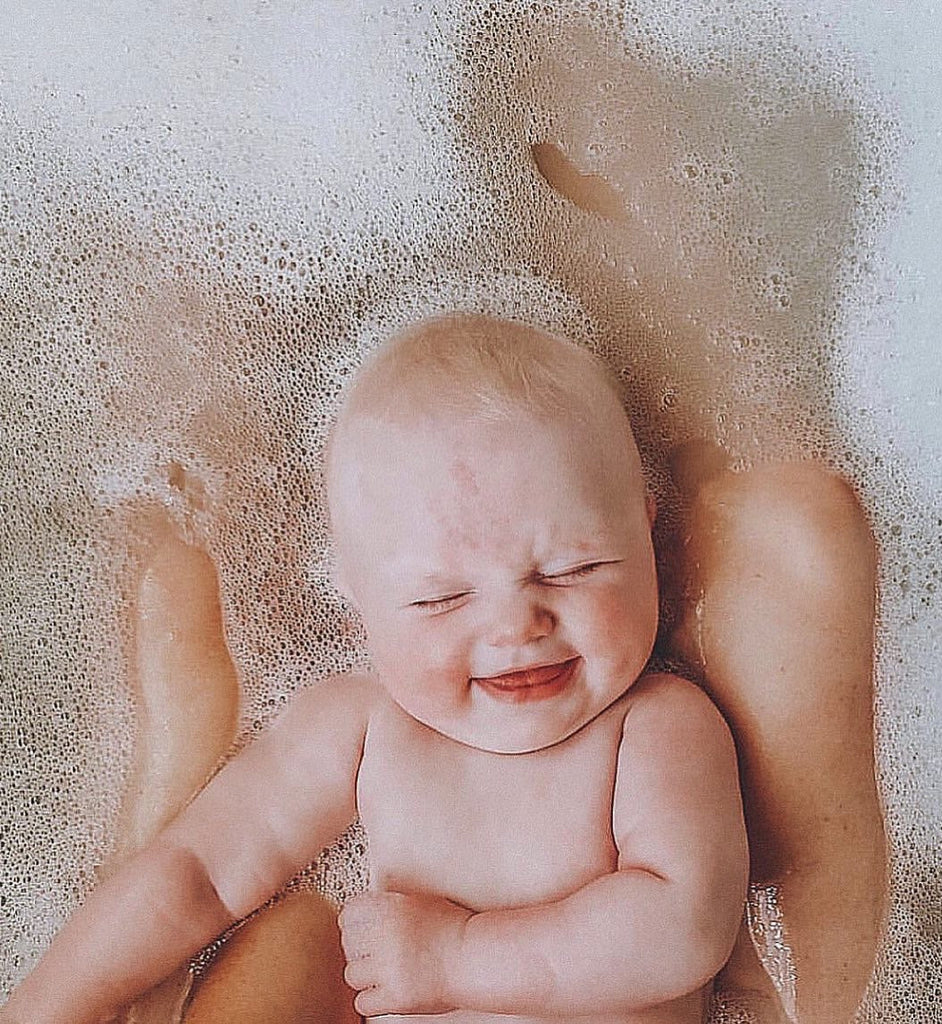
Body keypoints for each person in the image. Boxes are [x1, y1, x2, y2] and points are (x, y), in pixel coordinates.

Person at [1, 314, 750, 1024]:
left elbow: (682, 926)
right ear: (354, 592)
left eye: (573, 569)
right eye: (440, 598)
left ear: (646, 530)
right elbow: (198, 871)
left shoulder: (657, 727)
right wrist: (51, 1004)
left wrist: (459, 958)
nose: (517, 626)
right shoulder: (362, 728)